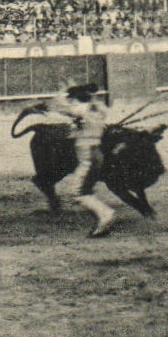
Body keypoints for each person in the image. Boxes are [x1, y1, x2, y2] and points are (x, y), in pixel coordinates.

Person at [40, 82, 117, 237]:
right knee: (84, 190)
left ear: (76, 99)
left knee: (77, 192)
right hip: (97, 153)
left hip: (87, 156)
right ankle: (103, 221)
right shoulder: (100, 109)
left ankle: (105, 214)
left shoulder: (81, 110)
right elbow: (92, 103)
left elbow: (58, 105)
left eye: (73, 98)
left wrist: (64, 90)